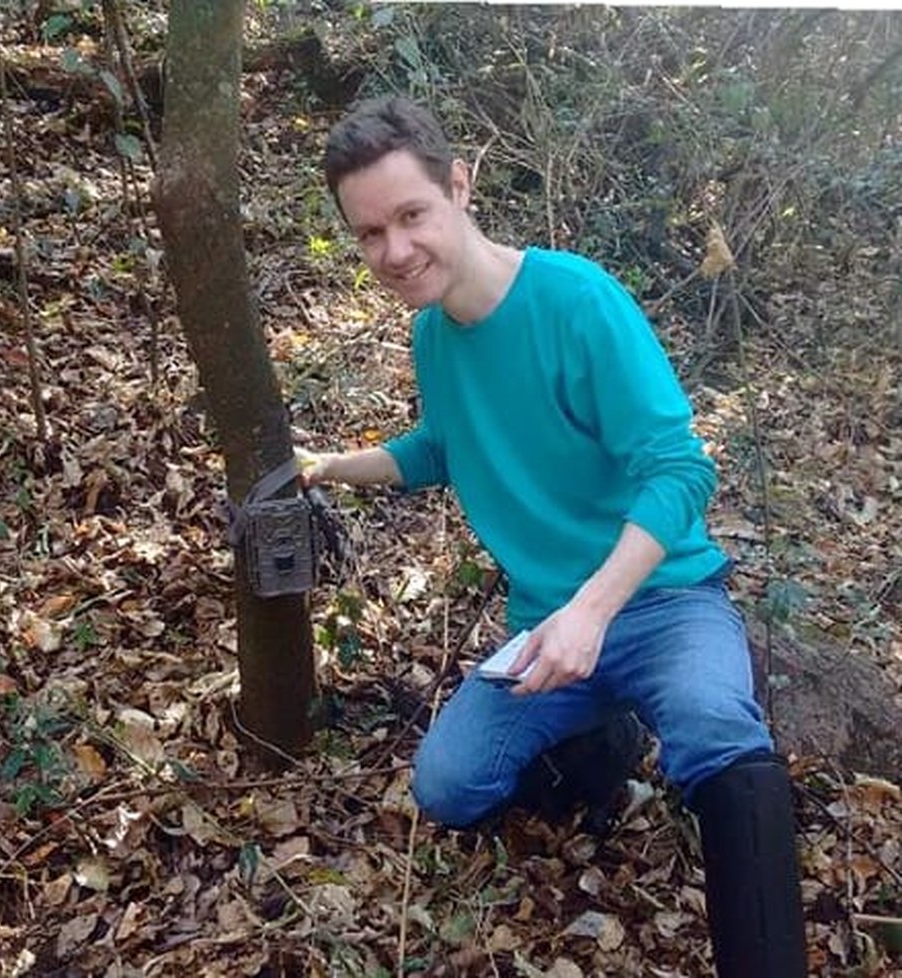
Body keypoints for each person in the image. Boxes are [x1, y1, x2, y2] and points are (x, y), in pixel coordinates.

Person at [303, 96, 807, 978]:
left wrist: (593, 610)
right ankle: (602, 736)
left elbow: (683, 470)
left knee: (712, 729)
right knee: (448, 786)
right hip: (543, 628)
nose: (394, 251)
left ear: (459, 186)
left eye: (411, 215)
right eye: (369, 233)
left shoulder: (576, 300)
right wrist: (333, 466)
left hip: (659, 599)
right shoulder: (432, 335)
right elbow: (444, 447)